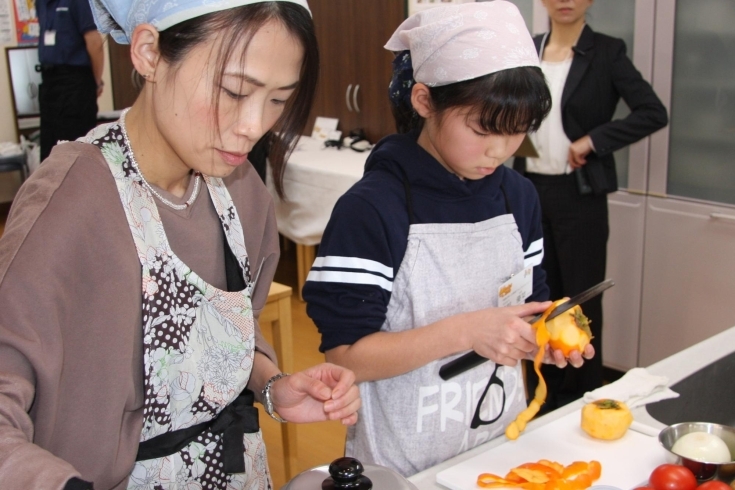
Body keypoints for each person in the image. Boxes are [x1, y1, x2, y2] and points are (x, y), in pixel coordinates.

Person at [0, 1, 362, 488]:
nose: (253, 125)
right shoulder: (73, 201)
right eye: (234, 91)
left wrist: (270, 385)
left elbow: (227, 329)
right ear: (149, 53)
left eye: (278, 100)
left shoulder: (242, 192)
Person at [303, 2, 593, 478]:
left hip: (498, 449)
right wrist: (466, 331)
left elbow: (528, 306)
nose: (498, 151)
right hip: (402, 466)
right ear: (424, 101)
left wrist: (546, 339)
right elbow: (345, 355)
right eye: (482, 130)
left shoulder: (518, 197)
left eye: (517, 132)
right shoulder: (372, 208)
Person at [514, 0, 668, 411]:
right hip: (525, 191)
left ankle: (578, 397)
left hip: (578, 194)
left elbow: (653, 112)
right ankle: (538, 397)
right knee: (535, 299)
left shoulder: (607, 50)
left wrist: (594, 141)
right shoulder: (525, 49)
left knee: (579, 300)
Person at [37, 0, 105, 161]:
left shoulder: (78, 2)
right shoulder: (41, 3)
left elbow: (95, 44)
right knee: (49, 151)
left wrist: (96, 82)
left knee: (74, 148)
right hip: (49, 81)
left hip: (75, 81)